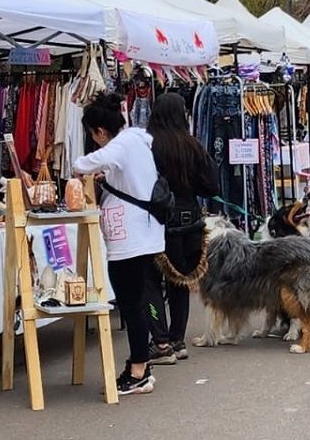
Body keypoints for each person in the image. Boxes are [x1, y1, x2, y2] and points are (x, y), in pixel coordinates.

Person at [74, 92, 164, 395]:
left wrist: (83, 166)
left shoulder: (120, 145)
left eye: (92, 134)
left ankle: (138, 368)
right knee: (134, 301)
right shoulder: (136, 139)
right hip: (141, 234)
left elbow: (84, 163)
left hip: (130, 238)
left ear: (100, 131)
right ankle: (141, 366)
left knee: (131, 303)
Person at [142, 93, 217, 366]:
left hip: (158, 223)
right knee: (181, 281)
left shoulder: (149, 146)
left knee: (149, 281)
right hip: (191, 222)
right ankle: (177, 339)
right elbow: (212, 185)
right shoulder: (192, 145)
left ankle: (160, 342)